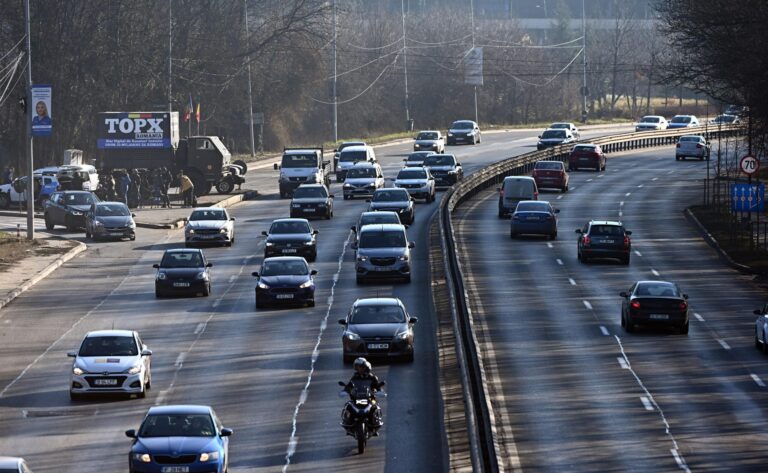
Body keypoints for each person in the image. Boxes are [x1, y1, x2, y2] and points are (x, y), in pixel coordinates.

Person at [343, 357, 384, 435]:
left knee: (375, 407)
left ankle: (374, 425)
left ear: (366, 367)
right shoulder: (355, 376)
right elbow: (350, 385)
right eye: (357, 367)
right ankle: (349, 425)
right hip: (357, 397)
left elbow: (377, 386)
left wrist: (379, 390)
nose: (359, 369)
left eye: (360, 367)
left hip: (369, 398)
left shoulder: (372, 377)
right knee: (349, 406)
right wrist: (345, 390)